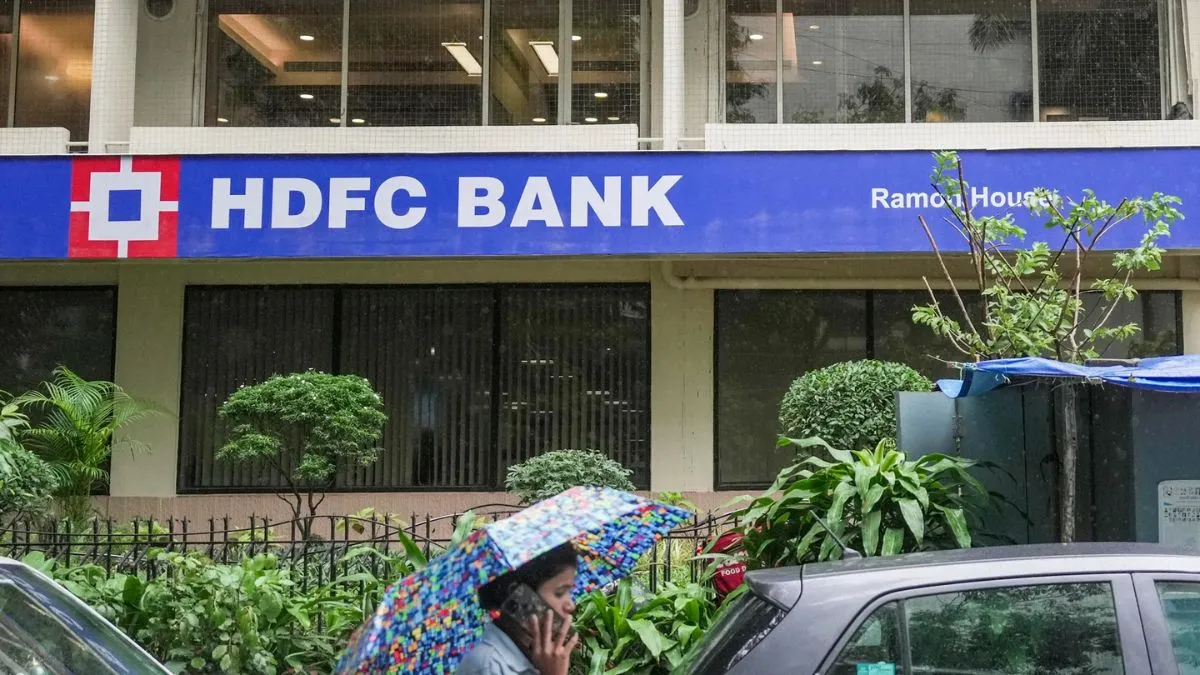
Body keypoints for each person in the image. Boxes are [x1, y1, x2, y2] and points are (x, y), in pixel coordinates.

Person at [457, 542, 580, 675]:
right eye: (559, 593)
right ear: (519, 595)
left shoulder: (539, 657)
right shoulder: (487, 666)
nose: (570, 605)